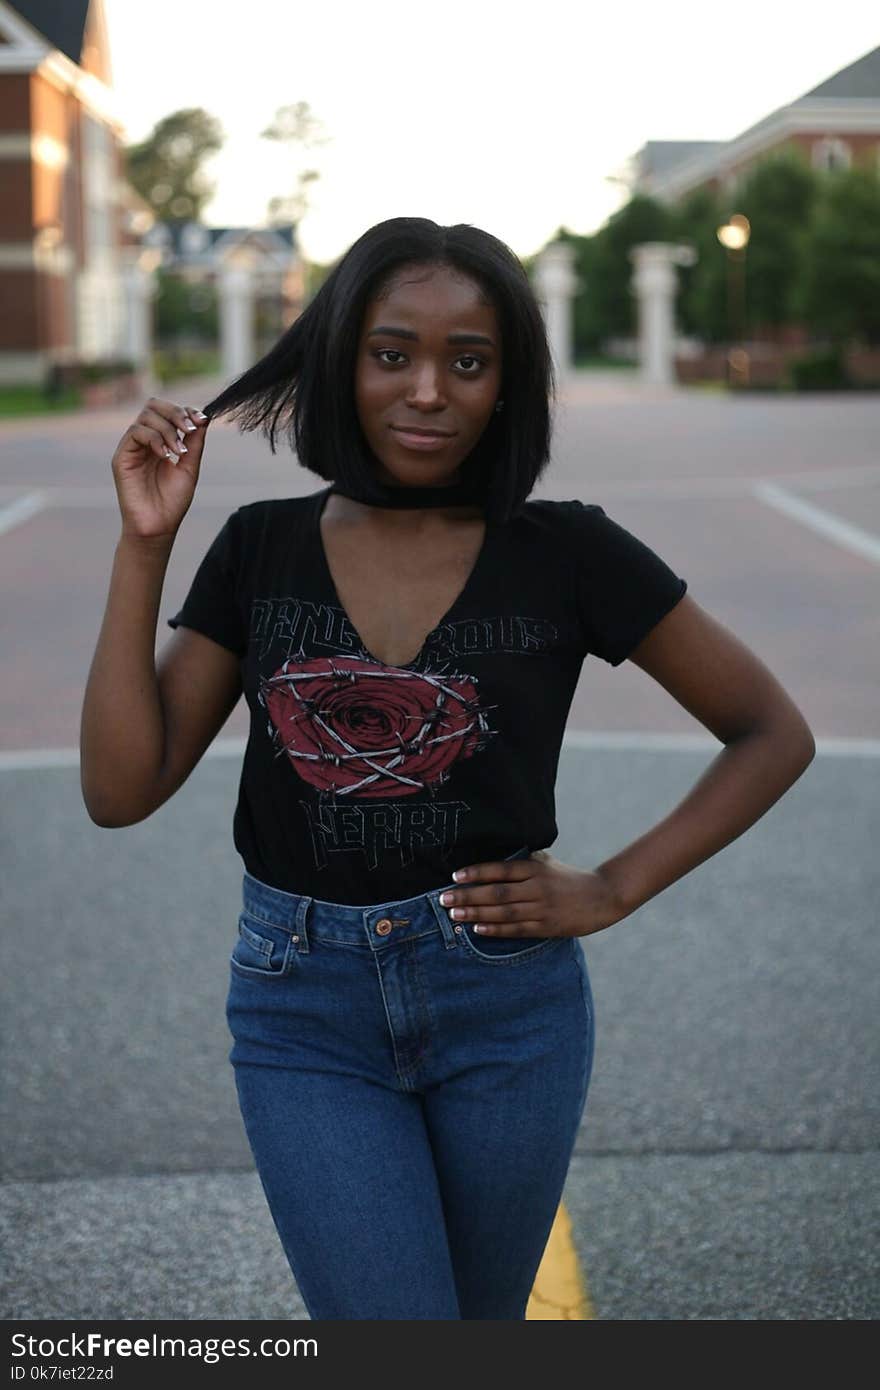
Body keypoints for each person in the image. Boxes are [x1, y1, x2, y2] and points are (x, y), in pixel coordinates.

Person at [80, 216, 815, 1321]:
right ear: (342, 361)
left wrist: (614, 886)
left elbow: (770, 730)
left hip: (507, 1005)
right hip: (303, 1009)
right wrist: (145, 543)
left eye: (467, 361)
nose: (428, 389)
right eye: (392, 354)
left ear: (507, 384)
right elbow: (119, 790)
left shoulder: (566, 550)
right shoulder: (259, 548)